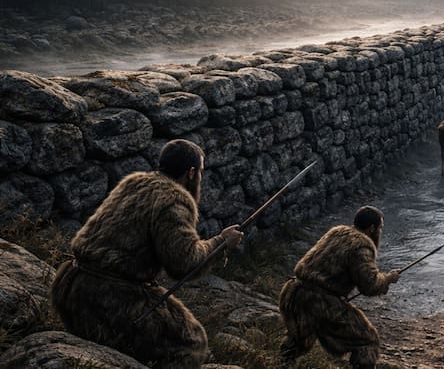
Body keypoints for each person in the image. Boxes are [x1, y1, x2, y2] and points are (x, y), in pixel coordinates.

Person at [50, 139, 244, 368]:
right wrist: (221, 242)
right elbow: (183, 263)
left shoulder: (134, 183)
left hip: (69, 286)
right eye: (200, 171)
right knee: (191, 342)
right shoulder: (173, 198)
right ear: (191, 173)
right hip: (108, 298)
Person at [278, 205, 400, 369]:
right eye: (380, 228)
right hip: (319, 301)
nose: (380, 232)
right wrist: (388, 279)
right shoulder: (361, 246)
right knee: (367, 341)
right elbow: (369, 285)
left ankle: (279, 365)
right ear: (372, 228)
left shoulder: (336, 232)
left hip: (293, 291)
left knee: (298, 342)